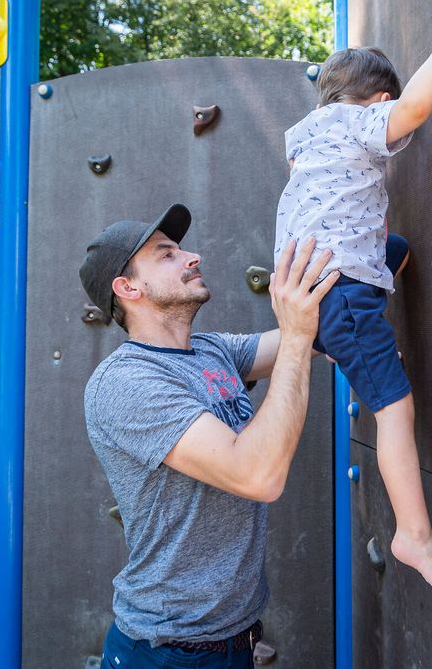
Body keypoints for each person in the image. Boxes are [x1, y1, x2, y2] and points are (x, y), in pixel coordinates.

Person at [273, 0, 432, 603]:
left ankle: (344, 346)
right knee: (395, 409)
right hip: (341, 295)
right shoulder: (359, 124)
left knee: (397, 248)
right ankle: (415, 534)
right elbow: (415, 107)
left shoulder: (307, 135)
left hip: (316, 286)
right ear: (376, 100)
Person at [79, 203, 338, 668]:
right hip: (168, 651)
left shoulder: (212, 351)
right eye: (166, 255)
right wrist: (298, 337)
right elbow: (257, 475)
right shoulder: (126, 382)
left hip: (233, 639)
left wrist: (363, 256)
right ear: (128, 287)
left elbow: (315, 334)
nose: (192, 256)